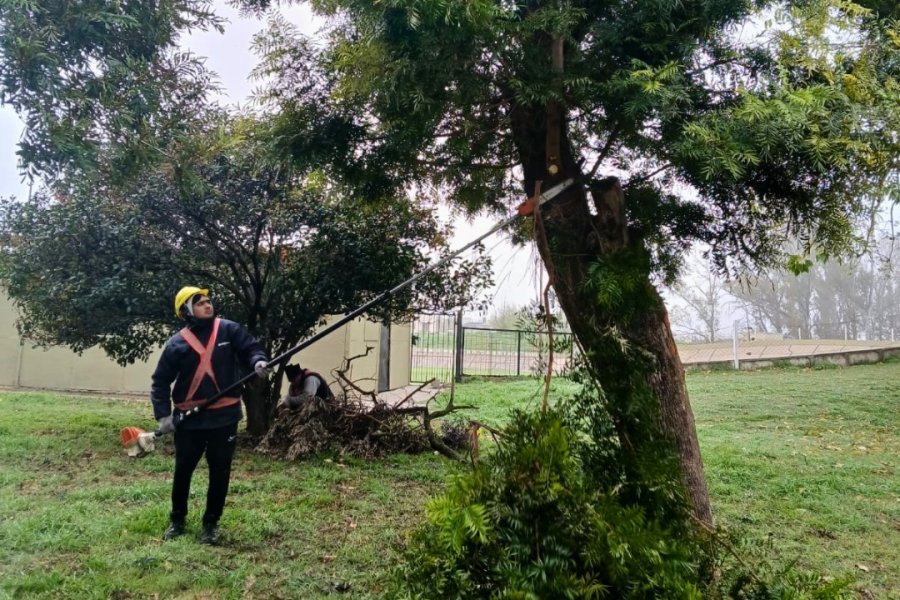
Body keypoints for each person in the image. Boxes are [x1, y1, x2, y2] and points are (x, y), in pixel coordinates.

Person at [151, 286, 269, 545]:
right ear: (186, 311)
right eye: (200, 303)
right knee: (183, 471)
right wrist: (163, 416)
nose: (208, 305)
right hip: (189, 420)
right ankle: (177, 520)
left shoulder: (228, 330)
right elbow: (160, 381)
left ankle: (211, 525)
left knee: (220, 472)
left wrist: (258, 361)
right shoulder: (177, 343)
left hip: (225, 418)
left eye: (208, 301)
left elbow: (251, 349)